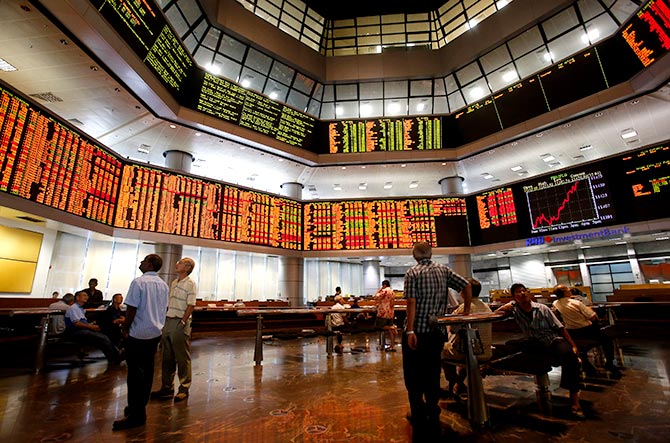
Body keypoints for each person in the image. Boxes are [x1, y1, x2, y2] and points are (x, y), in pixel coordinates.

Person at [402, 241, 472, 436]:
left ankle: (417, 411)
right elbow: (466, 286)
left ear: (414, 255)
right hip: (436, 333)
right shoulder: (444, 270)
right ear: (431, 254)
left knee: (413, 373)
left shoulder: (412, 273)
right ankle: (433, 409)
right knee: (432, 371)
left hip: (416, 333)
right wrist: (466, 311)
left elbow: (410, 302)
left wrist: (410, 331)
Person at [495, 283, 585, 419]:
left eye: (524, 290)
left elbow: (559, 328)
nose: (523, 293)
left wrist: (573, 346)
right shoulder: (514, 309)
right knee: (509, 346)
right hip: (533, 343)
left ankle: (574, 401)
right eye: (518, 292)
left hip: (552, 340)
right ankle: (487, 367)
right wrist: (506, 306)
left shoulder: (542, 308)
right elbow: (495, 314)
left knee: (569, 356)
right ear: (514, 296)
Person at [112, 254, 169, 431]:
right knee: (148, 371)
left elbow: (131, 308)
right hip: (154, 333)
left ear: (150, 264)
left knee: (135, 375)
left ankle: (137, 414)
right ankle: (139, 406)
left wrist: (125, 328)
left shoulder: (139, 282)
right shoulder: (164, 285)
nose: (140, 263)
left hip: (138, 333)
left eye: (143, 260)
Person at [152, 257, 198, 402]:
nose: (176, 264)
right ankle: (167, 387)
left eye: (180, 263)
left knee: (182, 357)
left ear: (187, 267)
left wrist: (183, 321)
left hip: (179, 321)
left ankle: (184, 388)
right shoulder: (174, 282)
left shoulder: (190, 284)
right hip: (169, 319)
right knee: (167, 357)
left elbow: (191, 305)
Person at [553, 284, 621, 378]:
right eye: (568, 290)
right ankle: (609, 362)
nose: (570, 291)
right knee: (607, 339)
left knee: (581, 346)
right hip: (587, 331)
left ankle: (586, 365)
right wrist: (588, 308)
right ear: (565, 292)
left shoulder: (555, 303)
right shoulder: (577, 303)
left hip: (572, 333)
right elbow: (593, 317)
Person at [441, 278, 492, 397]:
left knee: (440, 353)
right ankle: (458, 385)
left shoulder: (464, 309)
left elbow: (453, 329)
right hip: (486, 351)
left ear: (466, 292)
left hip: (470, 353)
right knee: (466, 348)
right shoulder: (486, 307)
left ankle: (457, 382)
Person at [64, 291, 122, 363]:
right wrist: (91, 326)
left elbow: (83, 322)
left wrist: (92, 324)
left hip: (82, 330)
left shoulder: (80, 309)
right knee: (101, 338)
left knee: (105, 335)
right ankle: (115, 357)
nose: (87, 297)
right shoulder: (73, 308)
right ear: (77, 297)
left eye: (87, 296)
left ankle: (115, 356)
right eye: (84, 295)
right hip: (75, 332)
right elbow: (77, 323)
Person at [375, 280, 397, 351]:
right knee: (390, 330)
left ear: (384, 285)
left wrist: (379, 290)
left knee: (379, 326)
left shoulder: (384, 291)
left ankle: (392, 328)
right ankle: (392, 346)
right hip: (390, 312)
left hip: (383, 312)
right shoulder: (392, 292)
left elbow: (376, 297)